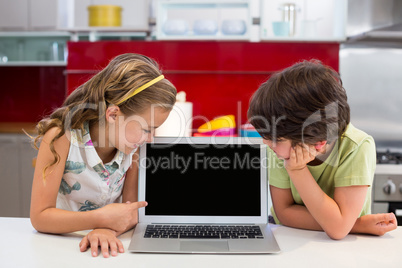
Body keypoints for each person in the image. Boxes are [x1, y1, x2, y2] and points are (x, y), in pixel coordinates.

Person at [30, 53, 177, 257]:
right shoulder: (61, 137)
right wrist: (100, 219)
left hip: (106, 245)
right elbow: (40, 216)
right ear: (113, 114)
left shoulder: (134, 149)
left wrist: (105, 229)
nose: (150, 139)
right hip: (59, 247)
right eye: (146, 129)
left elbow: (132, 210)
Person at [247, 60, 397, 240]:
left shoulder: (356, 147)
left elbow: (338, 230)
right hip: (290, 238)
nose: (266, 143)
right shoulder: (279, 149)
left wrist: (297, 170)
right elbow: (283, 213)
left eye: (275, 139)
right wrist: (355, 225)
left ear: (317, 142)